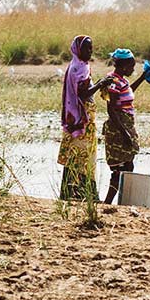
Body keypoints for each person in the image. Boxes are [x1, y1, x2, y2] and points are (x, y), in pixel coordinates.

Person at [58, 35, 109, 200]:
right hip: (82, 120)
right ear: (78, 50)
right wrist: (101, 84)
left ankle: (69, 192)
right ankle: (87, 194)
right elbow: (83, 93)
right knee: (84, 156)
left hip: (77, 119)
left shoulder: (76, 66)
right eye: (87, 48)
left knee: (75, 156)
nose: (90, 51)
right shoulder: (80, 69)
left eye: (91, 48)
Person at [101, 48, 150, 204]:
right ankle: (108, 203)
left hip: (125, 125)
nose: (133, 69)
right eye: (131, 66)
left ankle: (124, 201)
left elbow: (128, 92)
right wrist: (124, 134)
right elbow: (112, 110)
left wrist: (143, 78)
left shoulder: (121, 80)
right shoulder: (113, 81)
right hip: (118, 128)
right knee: (118, 169)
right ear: (123, 66)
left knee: (128, 164)